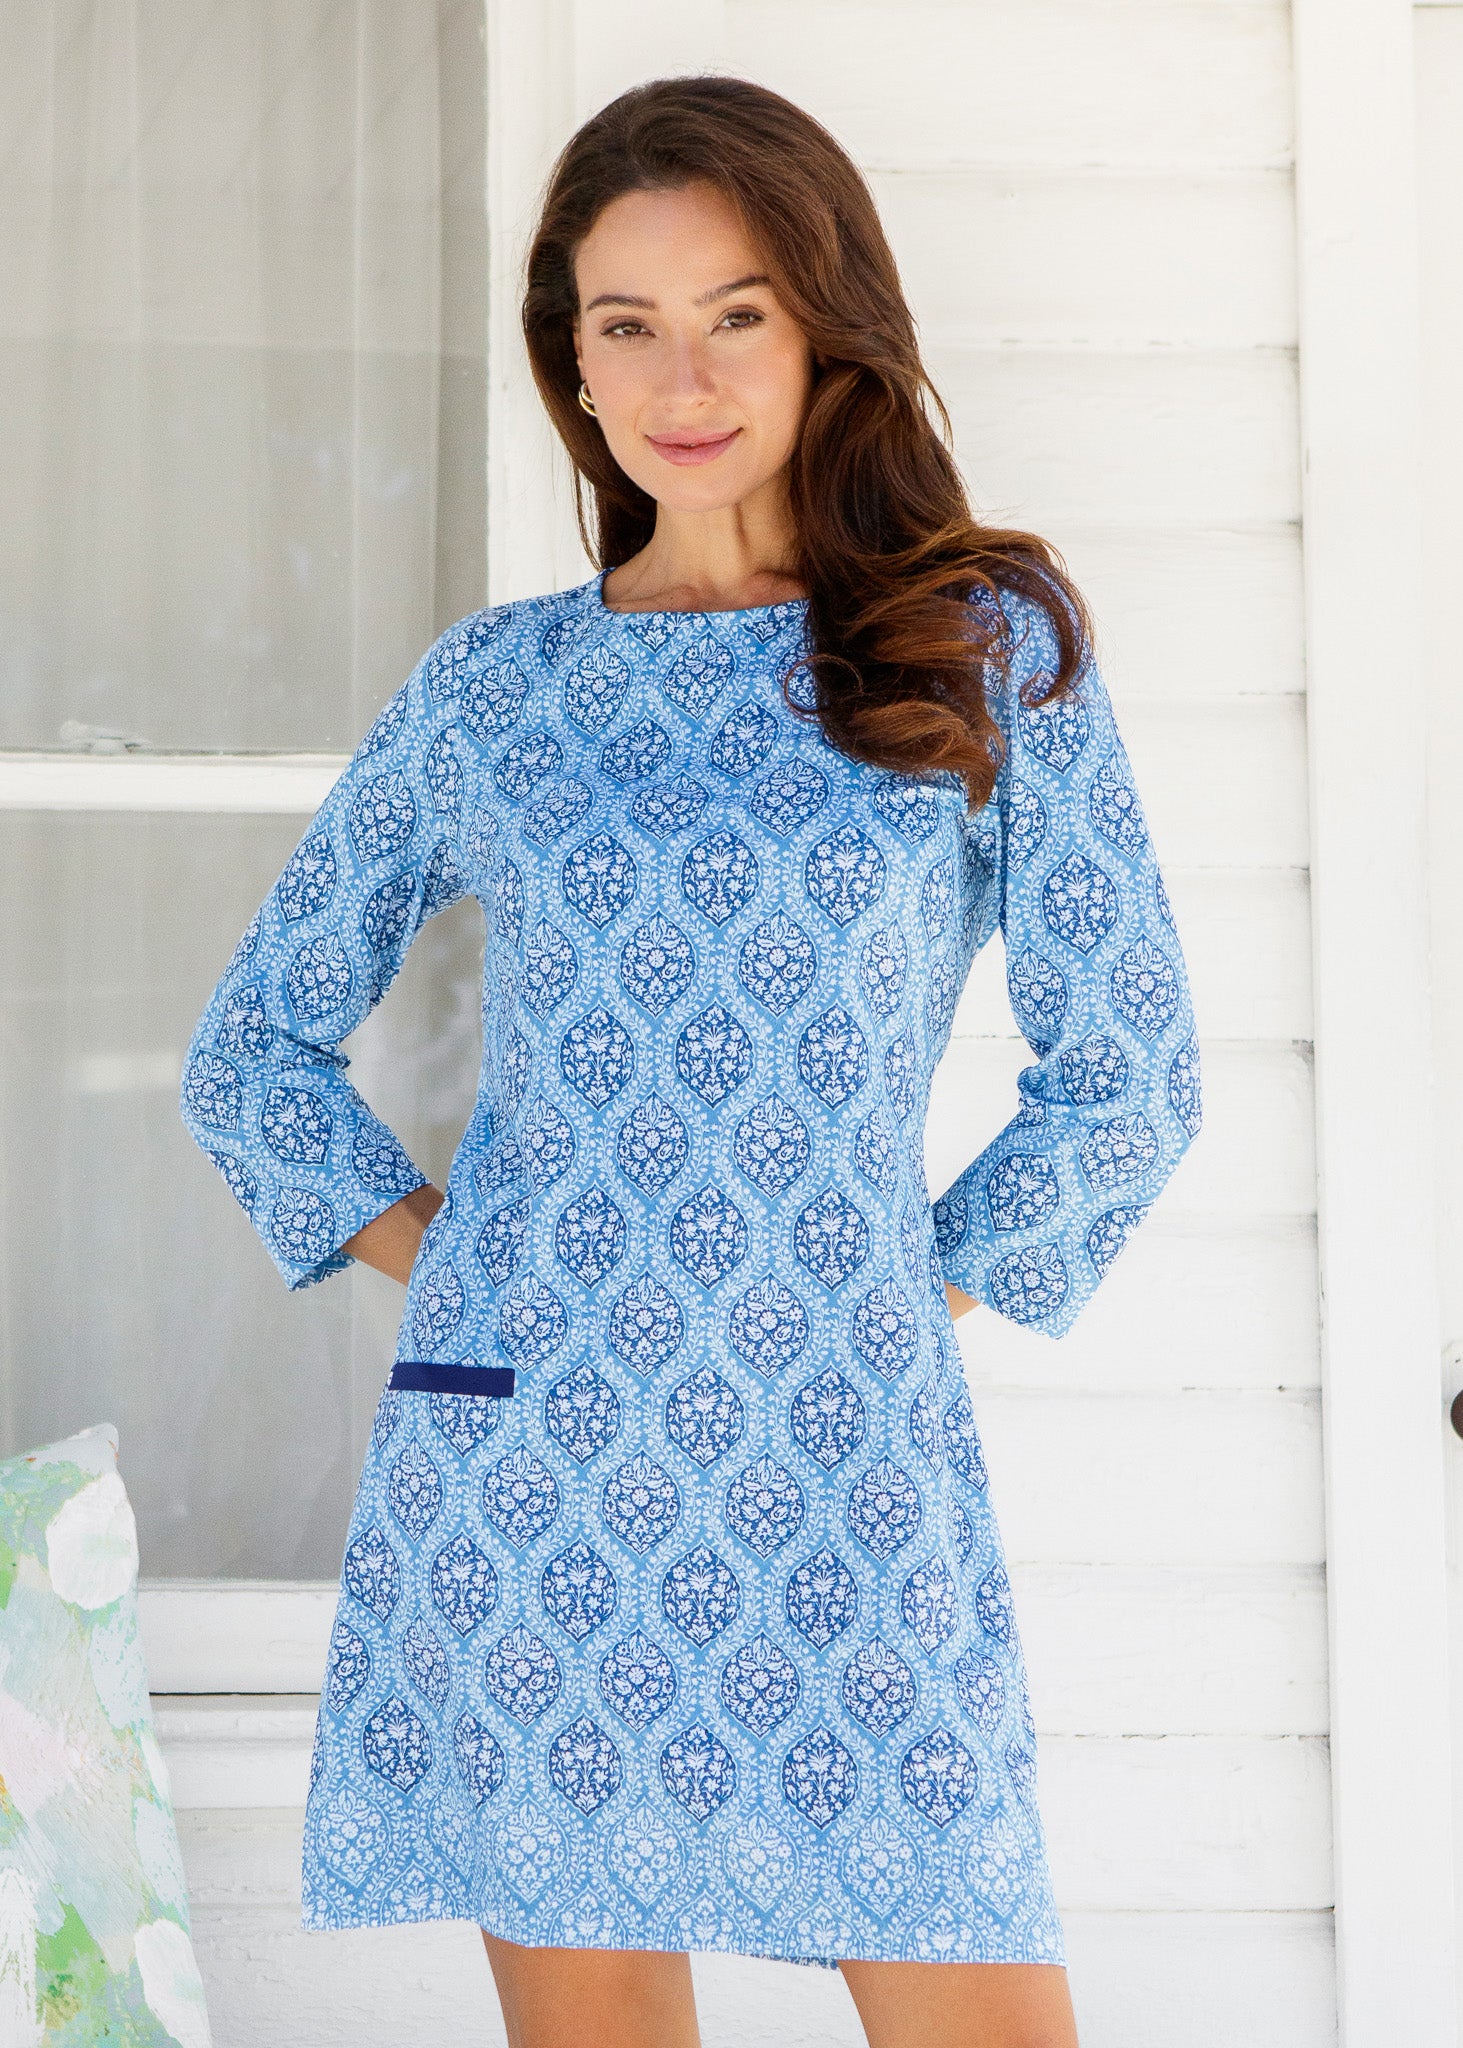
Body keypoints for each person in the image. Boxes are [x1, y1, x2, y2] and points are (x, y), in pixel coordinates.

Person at [179, 73, 1200, 2048]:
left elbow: (1130, 1073)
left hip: (842, 1464)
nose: (685, 373)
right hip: (530, 1474)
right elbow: (253, 1055)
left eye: (733, 309)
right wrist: (455, 1259)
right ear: (571, 365)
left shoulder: (984, 647)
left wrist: (895, 1292)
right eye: (622, 323)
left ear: (826, 319)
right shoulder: (495, 694)